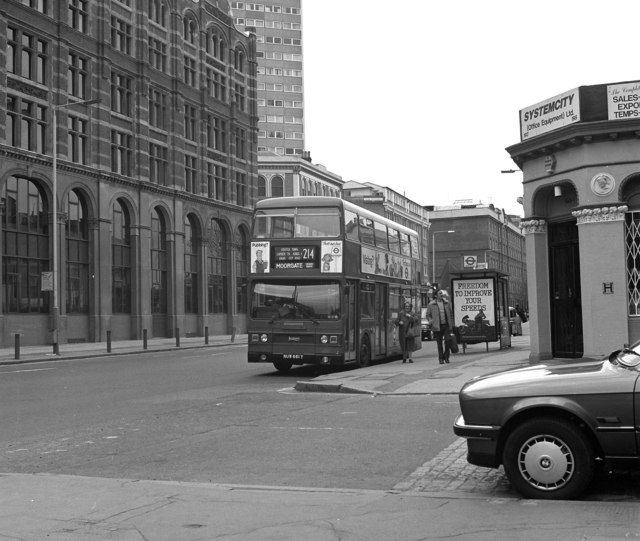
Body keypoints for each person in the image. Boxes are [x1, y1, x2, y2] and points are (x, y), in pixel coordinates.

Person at [426, 289, 454, 364]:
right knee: (439, 344)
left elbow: (451, 315)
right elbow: (428, 315)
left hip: (446, 325)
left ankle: (446, 356)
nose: (441, 294)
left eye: (441, 293)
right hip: (437, 326)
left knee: (448, 341)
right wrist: (430, 320)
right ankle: (441, 359)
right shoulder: (431, 304)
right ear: (436, 295)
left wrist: (451, 325)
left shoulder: (446, 303)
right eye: (439, 293)